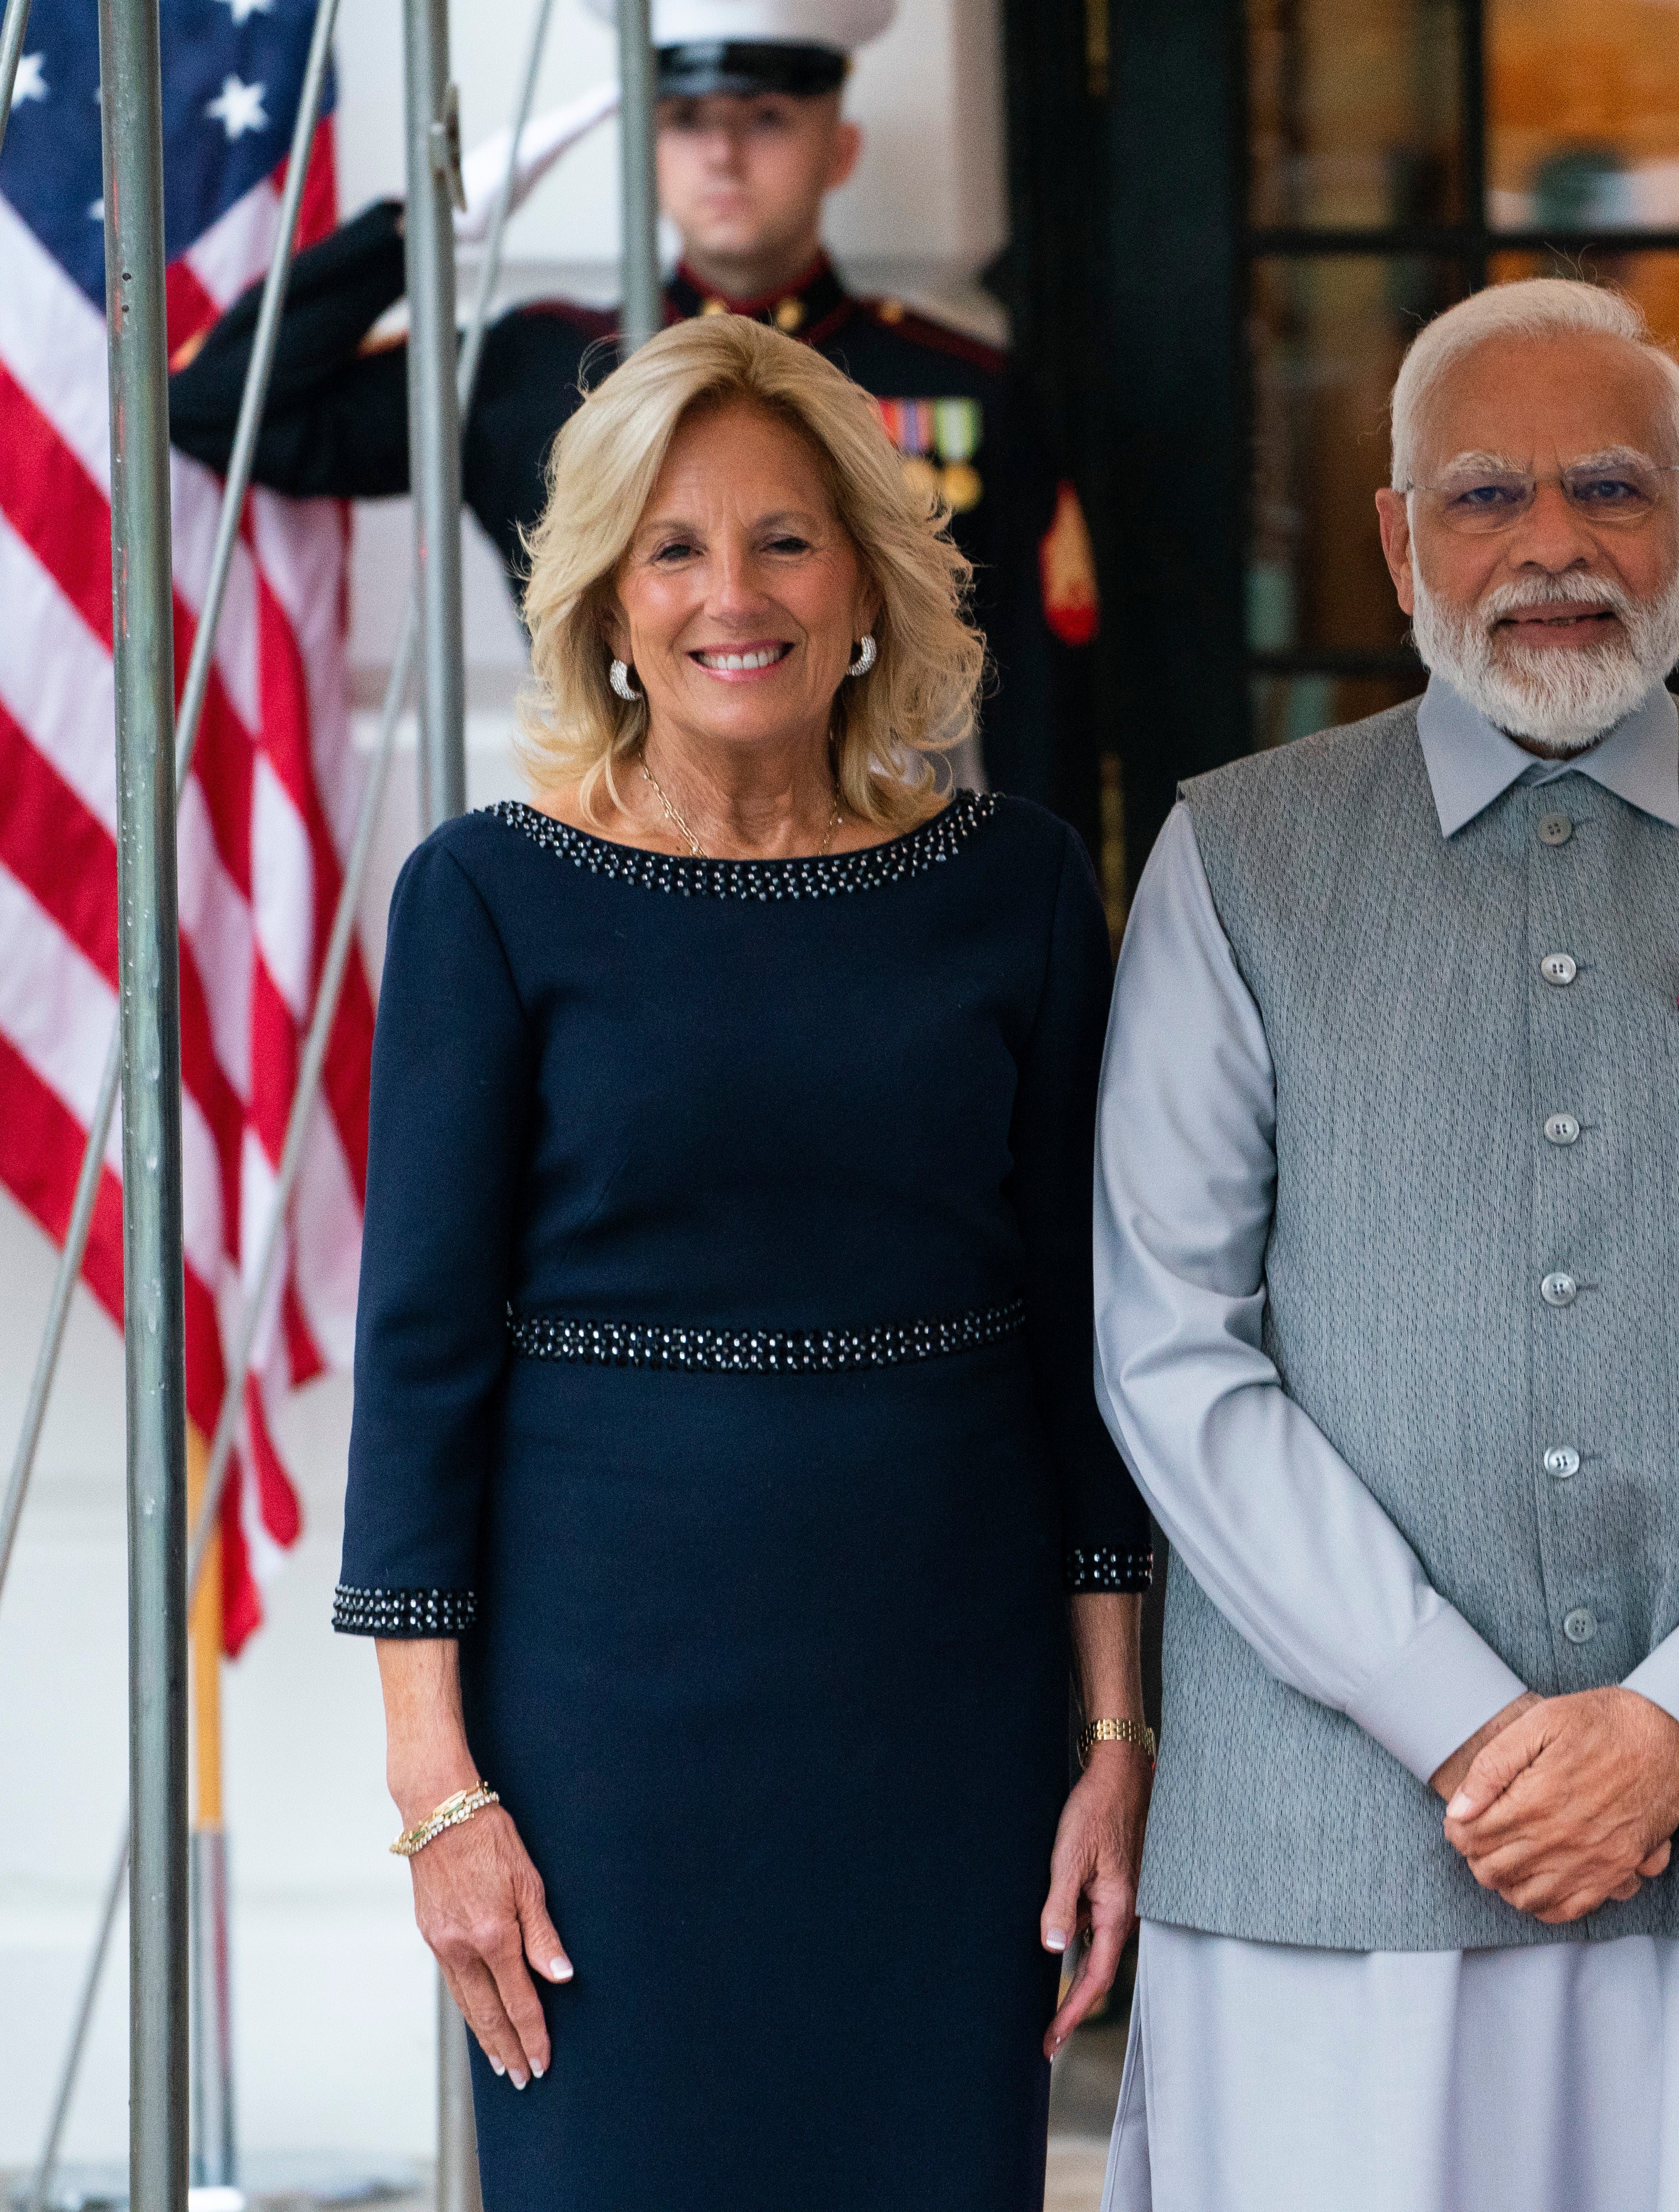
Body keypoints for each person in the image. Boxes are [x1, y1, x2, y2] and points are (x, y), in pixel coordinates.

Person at [1089, 277, 1679, 2212]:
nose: (1552, 548)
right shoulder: (1232, 854)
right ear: (1396, 537)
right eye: (1486, 495)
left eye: (1608, 488)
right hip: (1337, 1840)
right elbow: (1173, 1349)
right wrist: (1471, 1730)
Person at [332, 312, 1152, 2208]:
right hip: (602, 1732)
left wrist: (1114, 1735)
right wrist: (435, 1788)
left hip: (943, 1716)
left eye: (785, 538)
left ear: (864, 577)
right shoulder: (488, 897)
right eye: (676, 549)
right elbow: (421, 1366)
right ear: (609, 602)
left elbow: (1087, 1340)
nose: (734, 595)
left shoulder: (1012, 884)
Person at [168, 0, 1107, 841]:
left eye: (768, 119)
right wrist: (420, 227)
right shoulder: (536, 368)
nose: (725, 156)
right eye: (686, 119)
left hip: (882, 861)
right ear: (645, 143)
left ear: (841, 147)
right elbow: (220, 407)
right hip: (611, 854)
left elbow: (1042, 714)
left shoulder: (962, 386)